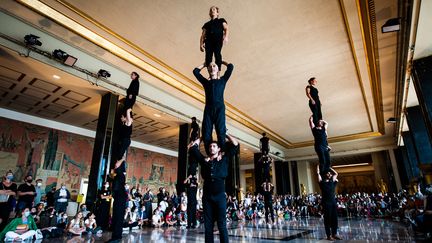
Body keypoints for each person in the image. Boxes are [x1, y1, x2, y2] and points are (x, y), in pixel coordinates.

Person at [188, 133, 239, 243]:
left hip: (220, 196)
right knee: (208, 226)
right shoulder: (204, 161)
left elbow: (235, 145)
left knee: (222, 225)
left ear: (219, 149)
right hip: (207, 197)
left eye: (214, 146)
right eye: (210, 146)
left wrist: (225, 134)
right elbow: (193, 148)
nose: (211, 147)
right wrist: (202, 137)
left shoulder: (224, 159)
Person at [193, 60, 234, 155]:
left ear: (218, 69)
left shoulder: (223, 80)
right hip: (208, 109)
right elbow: (195, 71)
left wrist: (221, 62)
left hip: (220, 109)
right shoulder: (205, 82)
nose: (212, 68)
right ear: (208, 69)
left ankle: (221, 153)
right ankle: (210, 155)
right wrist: (204, 64)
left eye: (214, 66)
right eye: (210, 67)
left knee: (221, 131)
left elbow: (231, 67)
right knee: (206, 132)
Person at [200, 6, 229, 70]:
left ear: (217, 13)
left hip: (217, 40)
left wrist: (226, 37)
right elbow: (203, 35)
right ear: (210, 13)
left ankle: (218, 74)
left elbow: (226, 29)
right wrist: (201, 44)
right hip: (208, 42)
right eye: (210, 10)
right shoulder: (206, 24)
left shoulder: (221, 20)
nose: (212, 10)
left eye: (214, 9)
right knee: (208, 57)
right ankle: (210, 74)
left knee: (217, 54)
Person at [317, 166, 341, 241]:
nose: (330, 174)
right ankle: (328, 235)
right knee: (327, 219)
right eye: (328, 174)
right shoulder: (322, 183)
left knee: (335, 219)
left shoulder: (332, 182)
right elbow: (318, 174)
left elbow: (336, 173)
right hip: (326, 203)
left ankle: (334, 234)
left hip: (333, 202)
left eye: (330, 174)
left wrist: (330, 168)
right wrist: (318, 168)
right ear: (325, 175)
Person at [107, 159, 127, 242]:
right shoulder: (117, 175)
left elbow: (117, 166)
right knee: (116, 217)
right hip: (118, 197)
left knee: (118, 217)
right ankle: (117, 236)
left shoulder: (121, 174)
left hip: (120, 197)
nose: (115, 164)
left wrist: (122, 159)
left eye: (116, 163)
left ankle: (117, 237)